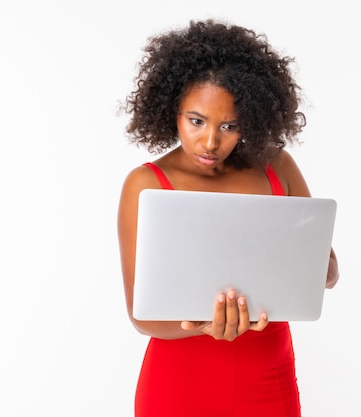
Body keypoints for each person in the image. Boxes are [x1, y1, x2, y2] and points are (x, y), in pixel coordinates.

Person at [117, 19, 339, 417]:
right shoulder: (146, 183)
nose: (210, 142)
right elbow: (141, 316)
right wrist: (203, 325)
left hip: (268, 377)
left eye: (229, 126)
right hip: (179, 383)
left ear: (249, 120)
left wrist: (314, 268)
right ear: (173, 110)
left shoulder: (277, 166)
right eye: (196, 121)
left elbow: (328, 272)